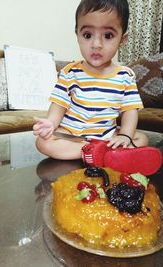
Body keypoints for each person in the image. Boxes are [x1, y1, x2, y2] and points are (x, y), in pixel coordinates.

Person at [33, 0, 162, 174]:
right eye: (87, 35)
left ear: (122, 39)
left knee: (140, 137)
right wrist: (50, 123)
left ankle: (102, 153)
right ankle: (100, 155)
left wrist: (124, 135)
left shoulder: (125, 76)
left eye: (108, 36)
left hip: (106, 137)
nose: (96, 44)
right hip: (74, 138)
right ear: (77, 34)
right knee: (43, 142)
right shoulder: (70, 72)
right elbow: (59, 105)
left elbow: (129, 111)